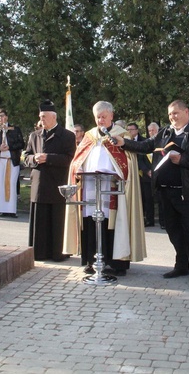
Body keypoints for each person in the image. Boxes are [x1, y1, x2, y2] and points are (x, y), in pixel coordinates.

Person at [118, 100, 189, 284]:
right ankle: (181, 265)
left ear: (186, 112)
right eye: (170, 114)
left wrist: (183, 159)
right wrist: (124, 143)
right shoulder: (165, 132)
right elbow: (146, 146)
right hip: (166, 191)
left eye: (176, 113)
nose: (172, 117)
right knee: (172, 230)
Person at [64, 101, 145, 275]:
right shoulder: (89, 136)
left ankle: (117, 263)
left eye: (104, 117)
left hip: (113, 187)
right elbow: (78, 158)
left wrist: (117, 170)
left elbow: (129, 162)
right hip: (90, 185)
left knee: (114, 222)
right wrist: (78, 168)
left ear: (111, 117)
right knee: (91, 221)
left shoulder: (122, 135)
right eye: (97, 117)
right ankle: (92, 260)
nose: (100, 120)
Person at [23, 100, 76, 262]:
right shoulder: (34, 136)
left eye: (44, 117)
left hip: (57, 184)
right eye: (40, 117)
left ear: (54, 117)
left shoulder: (67, 136)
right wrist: (34, 159)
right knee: (40, 221)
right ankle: (39, 253)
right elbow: (25, 157)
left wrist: (49, 158)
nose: (41, 120)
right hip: (39, 184)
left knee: (57, 220)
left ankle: (57, 253)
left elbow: (71, 159)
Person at [0, 108, 25, 218]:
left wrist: (10, 147)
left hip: (11, 161)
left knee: (11, 185)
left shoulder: (15, 129)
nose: (0, 119)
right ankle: (3, 209)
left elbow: (21, 143)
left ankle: (11, 210)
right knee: (0, 186)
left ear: (6, 117)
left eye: (2, 116)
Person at [127, 122, 155, 228]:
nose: (129, 132)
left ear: (137, 130)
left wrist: (147, 170)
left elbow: (142, 158)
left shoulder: (144, 141)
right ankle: (140, 219)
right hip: (134, 173)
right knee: (140, 198)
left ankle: (149, 219)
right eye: (128, 129)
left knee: (148, 198)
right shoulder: (126, 140)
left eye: (132, 130)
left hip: (145, 175)